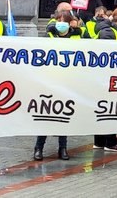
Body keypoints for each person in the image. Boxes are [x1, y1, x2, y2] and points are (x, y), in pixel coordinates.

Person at [34, 16, 82, 160]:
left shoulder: (78, 36)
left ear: (70, 24)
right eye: (59, 22)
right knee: (45, 115)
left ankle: (63, 147)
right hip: (49, 81)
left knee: (63, 115)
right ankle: (38, 147)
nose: (61, 25)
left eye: (64, 22)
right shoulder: (47, 36)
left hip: (69, 81)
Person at [93, 6, 117, 152]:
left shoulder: (111, 30)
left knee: (105, 108)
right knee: (110, 109)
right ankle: (110, 141)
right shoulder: (109, 32)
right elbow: (109, 54)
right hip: (108, 77)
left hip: (109, 77)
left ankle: (100, 141)